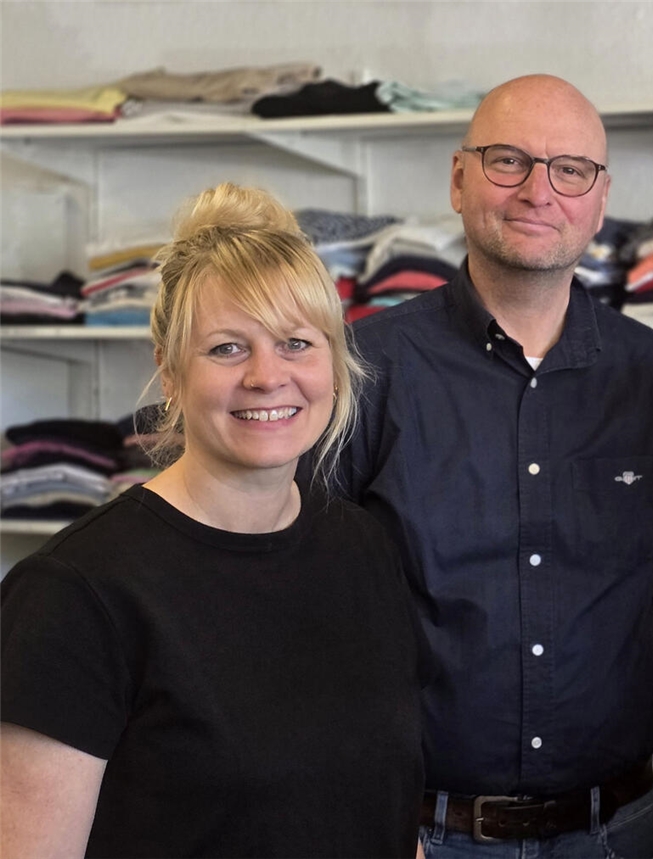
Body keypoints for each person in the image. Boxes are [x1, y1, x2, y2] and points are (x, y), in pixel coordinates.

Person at [333, 74, 653, 856]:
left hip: (613, 829)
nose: (538, 190)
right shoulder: (366, 367)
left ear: (600, 198)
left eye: (569, 169)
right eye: (508, 160)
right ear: (458, 178)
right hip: (420, 832)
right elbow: (313, 596)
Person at [1, 182, 426, 858]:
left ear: (334, 366)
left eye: (295, 342)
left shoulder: (362, 547)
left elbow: (391, 814)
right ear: (169, 372)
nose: (267, 375)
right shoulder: (75, 594)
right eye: (227, 348)